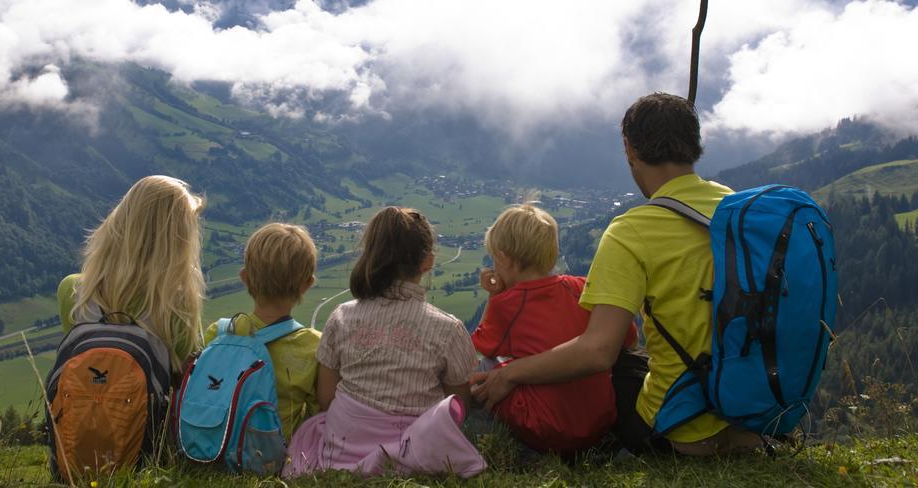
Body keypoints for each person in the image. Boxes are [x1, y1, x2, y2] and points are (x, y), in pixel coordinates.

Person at [473, 92, 762, 456]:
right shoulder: (738, 209)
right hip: (751, 412)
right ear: (696, 143)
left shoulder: (631, 231)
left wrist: (509, 374)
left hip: (679, 430)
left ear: (630, 149)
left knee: (618, 360)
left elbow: (598, 352)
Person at [284, 206, 484, 477]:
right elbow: (457, 405)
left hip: (343, 447)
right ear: (428, 262)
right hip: (414, 455)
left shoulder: (341, 317)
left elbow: (326, 398)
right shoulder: (448, 329)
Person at [472, 204, 637, 455]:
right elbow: (628, 338)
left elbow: (482, 343)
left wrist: (495, 297)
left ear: (503, 258)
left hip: (545, 430)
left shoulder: (507, 304)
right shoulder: (583, 289)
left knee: (485, 365)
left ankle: (482, 430)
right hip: (599, 423)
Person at [57, 175, 206, 376]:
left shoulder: (73, 292)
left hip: (83, 406)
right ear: (175, 243)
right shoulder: (174, 304)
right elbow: (188, 375)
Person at [201, 222, 321, 442]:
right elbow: (319, 413)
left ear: (244, 277)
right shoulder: (313, 346)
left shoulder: (217, 333)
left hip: (210, 444)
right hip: (270, 456)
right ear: (307, 284)